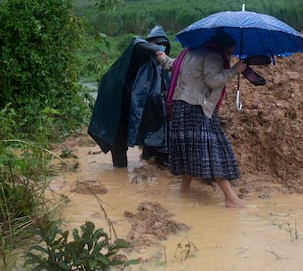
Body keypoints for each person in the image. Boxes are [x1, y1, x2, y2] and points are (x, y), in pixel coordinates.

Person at [157, 32, 247, 208]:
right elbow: (214, 81)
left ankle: (184, 192)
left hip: (180, 107)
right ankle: (230, 197)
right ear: (223, 46)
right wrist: (235, 70)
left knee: (188, 152)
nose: (230, 55)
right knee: (213, 152)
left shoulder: (188, 53)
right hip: (196, 108)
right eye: (230, 52)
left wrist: (160, 55)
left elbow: (171, 65)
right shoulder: (213, 56)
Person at [88, 26, 171, 168]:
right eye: (156, 43)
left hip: (139, 108)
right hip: (119, 104)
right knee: (118, 143)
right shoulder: (137, 54)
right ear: (149, 43)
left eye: (163, 45)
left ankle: (149, 165)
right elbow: (136, 42)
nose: (160, 47)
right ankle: (120, 173)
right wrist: (158, 51)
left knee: (153, 136)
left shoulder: (159, 68)